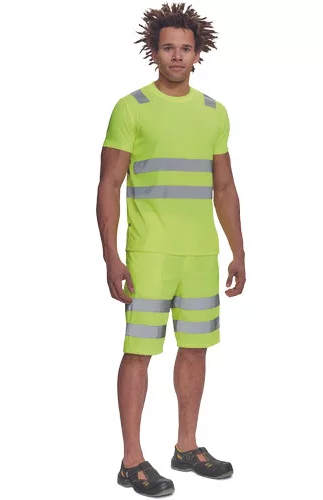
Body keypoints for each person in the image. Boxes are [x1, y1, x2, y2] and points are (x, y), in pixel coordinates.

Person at [97, 2, 246, 496]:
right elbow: (108, 184)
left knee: (195, 348)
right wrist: (111, 256)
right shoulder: (131, 107)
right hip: (149, 254)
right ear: (154, 52)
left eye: (185, 48)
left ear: (198, 54)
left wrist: (238, 251)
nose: (177, 56)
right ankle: (131, 461)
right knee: (138, 352)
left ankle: (186, 447)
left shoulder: (214, 112)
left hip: (200, 254)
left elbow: (224, 188)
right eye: (168, 48)